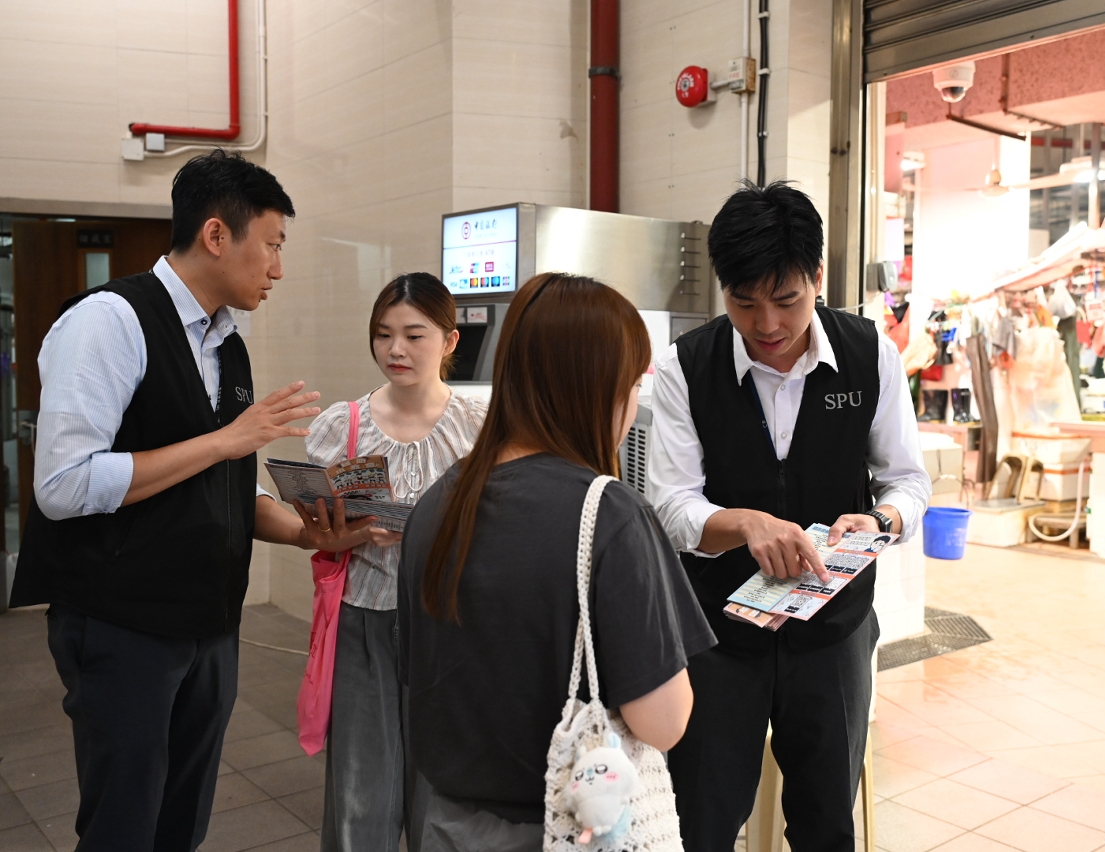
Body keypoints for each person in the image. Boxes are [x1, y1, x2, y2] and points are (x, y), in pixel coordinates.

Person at [9, 149, 376, 851]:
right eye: (271, 245)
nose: (278, 268)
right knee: (124, 825)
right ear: (215, 235)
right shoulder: (109, 320)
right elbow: (63, 485)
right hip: (121, 623)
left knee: (182, 822)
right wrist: (225, 440)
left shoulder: (226, 341)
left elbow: (223, 483)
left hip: (208, 624)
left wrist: (305, 532)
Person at [650, 181, 932, 852]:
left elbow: (908, 482)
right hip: (718, 635)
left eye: (787, 300)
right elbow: (671, 503)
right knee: (702, 822)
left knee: (825, 823)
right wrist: (744, 524)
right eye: (744, 303)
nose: (767, 324)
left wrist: (880, 521)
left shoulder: (870, 356)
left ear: (818, 279)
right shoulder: (686, 367)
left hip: (833, 632)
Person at [398, 272, 717, 851]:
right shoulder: (610, 515)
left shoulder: (438, 504)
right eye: (632, 384)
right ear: (598, 389)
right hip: (567, 830)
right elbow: (664, 722)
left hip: (445, 824)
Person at [305, 273, 486, 852]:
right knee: (361, 793)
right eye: (383, 335)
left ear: (450, 340)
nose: (396, 349)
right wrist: (351, 531)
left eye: (414, 334)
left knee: (445, 791)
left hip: (450, 623)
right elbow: (319, 533)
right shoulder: (345, 425)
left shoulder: (480, 427)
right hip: (364, 618)